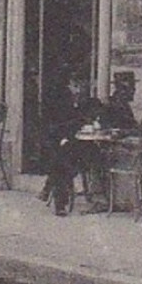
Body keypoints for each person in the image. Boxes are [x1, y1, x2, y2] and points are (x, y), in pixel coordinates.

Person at [39, 73, 104, 216]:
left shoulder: (92, 103)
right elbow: (54, 126)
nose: (80, 90)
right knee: (61, 162)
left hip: (85, 145)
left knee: (63, 160)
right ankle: (60, 204)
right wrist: (67, 133)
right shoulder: (61, 103)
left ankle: (48, 187)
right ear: (69, 86)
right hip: (64, 143)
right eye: (76, 86)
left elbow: (98, 119)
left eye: (83, 86)